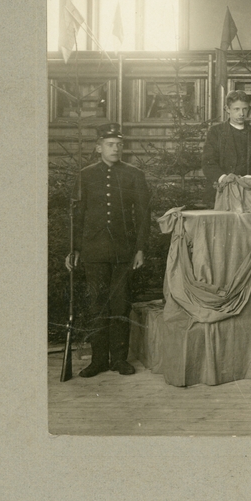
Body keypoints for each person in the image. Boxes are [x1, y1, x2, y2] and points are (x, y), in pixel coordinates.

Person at [66, 123, 152, 377]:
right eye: (110, 144)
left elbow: (143, 215)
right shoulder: (86, 175)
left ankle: (119, 359)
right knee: (97, 305)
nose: (116, 149)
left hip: (124, 252)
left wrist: (140, 249)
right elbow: (77, 215)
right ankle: (99, 360)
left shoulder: (134, 175)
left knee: (120, 304)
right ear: (98, 147)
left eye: (119, 145)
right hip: (93, 251)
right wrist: (74, 249)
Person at [202, 90, 251, 204]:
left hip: (250, 193)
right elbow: (208, 163)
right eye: (236, 109)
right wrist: (224, 178)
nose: (241, 114)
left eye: (245, 109)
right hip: (222, 192)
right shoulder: (216, 132)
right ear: (227, 109)